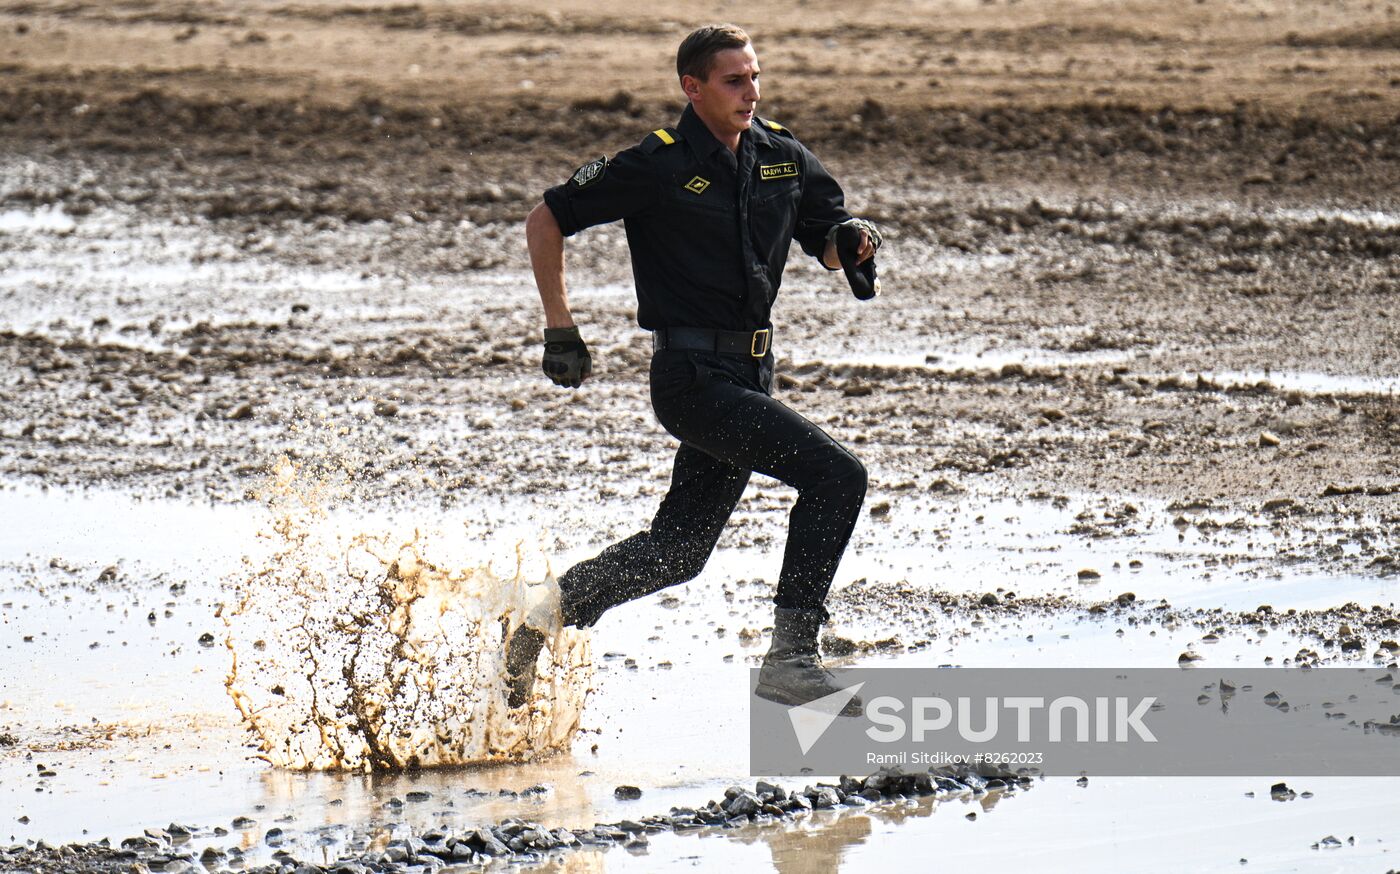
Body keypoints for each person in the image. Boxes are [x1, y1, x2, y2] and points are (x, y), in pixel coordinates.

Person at [510, 23, 882, 717]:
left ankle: (539, 618)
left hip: (750, 374)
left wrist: (849, 242)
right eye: (734, 80)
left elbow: (825, 240)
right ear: (694, 87)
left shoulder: (780, 155)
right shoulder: (658, 163)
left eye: (755, 77)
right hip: (690, 377)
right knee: (838, 475)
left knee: (677, 552)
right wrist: (560, 327)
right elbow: (546, 219)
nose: (751, 91)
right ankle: (792, 660)